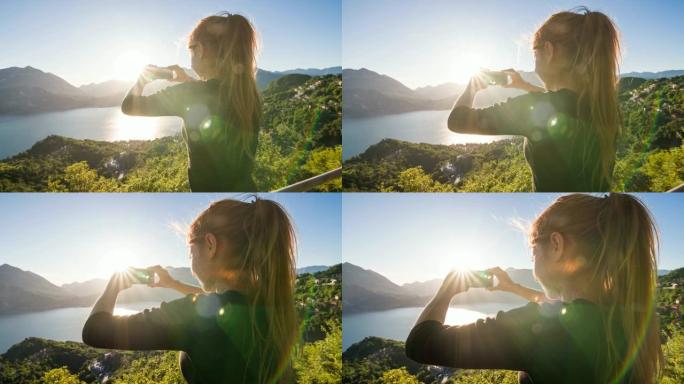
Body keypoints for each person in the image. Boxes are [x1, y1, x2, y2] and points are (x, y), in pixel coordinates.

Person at [406, 193, 662, 383]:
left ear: (556, 245)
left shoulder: (540, 329)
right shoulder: (633, 315)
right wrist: (513, 287)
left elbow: (421, 344)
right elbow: (562, 313)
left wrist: (447, 289)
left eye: (532, 251)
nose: (532, 259)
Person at [82, 198, 298, 384]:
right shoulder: (274, 302)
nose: (191, 260)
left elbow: (94, 331)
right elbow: (219, 306)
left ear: (211, 244)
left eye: (190, 252)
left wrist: (114, 283)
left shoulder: (193, 317)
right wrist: (174, 284)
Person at [447, 8, 621, 192]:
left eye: (534, 53)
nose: (534, 60)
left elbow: (456, 121)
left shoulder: (532, 108)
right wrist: (523, 85)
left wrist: (472, 85)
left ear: (548, 50)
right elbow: (562, 105)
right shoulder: (605, 107)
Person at [121, 12, 261, 192]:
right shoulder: (248, 95)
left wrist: (143, 78)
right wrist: (188, 81)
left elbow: (128, 106)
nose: (190, 54)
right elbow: (213, 97)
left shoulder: (191, 94)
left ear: (200, 50)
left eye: (191, 48)